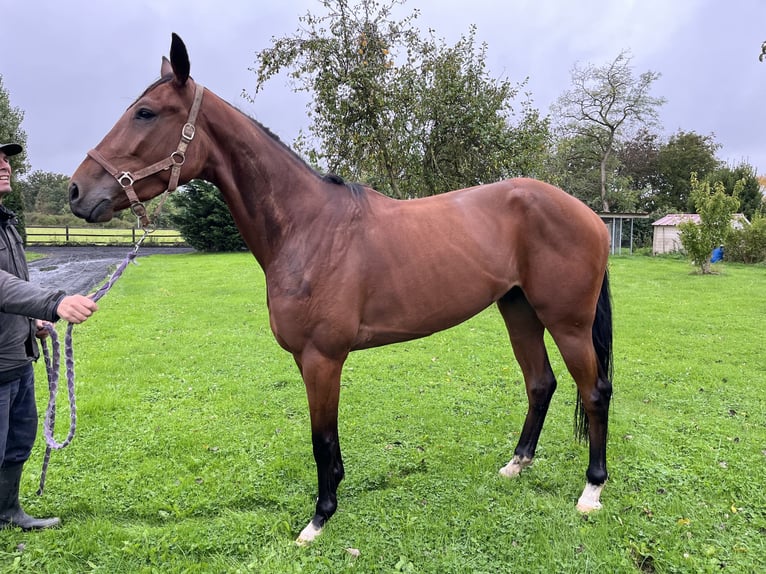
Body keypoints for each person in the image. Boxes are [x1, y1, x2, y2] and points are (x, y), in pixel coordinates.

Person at [0, 142, 98, 530]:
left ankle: (8, 511)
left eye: (5, 158)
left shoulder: (5, 220)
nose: (4, 164)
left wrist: (33, 324)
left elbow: (15, 283)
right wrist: (54, 303)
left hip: (17, 358)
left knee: (18, 442)